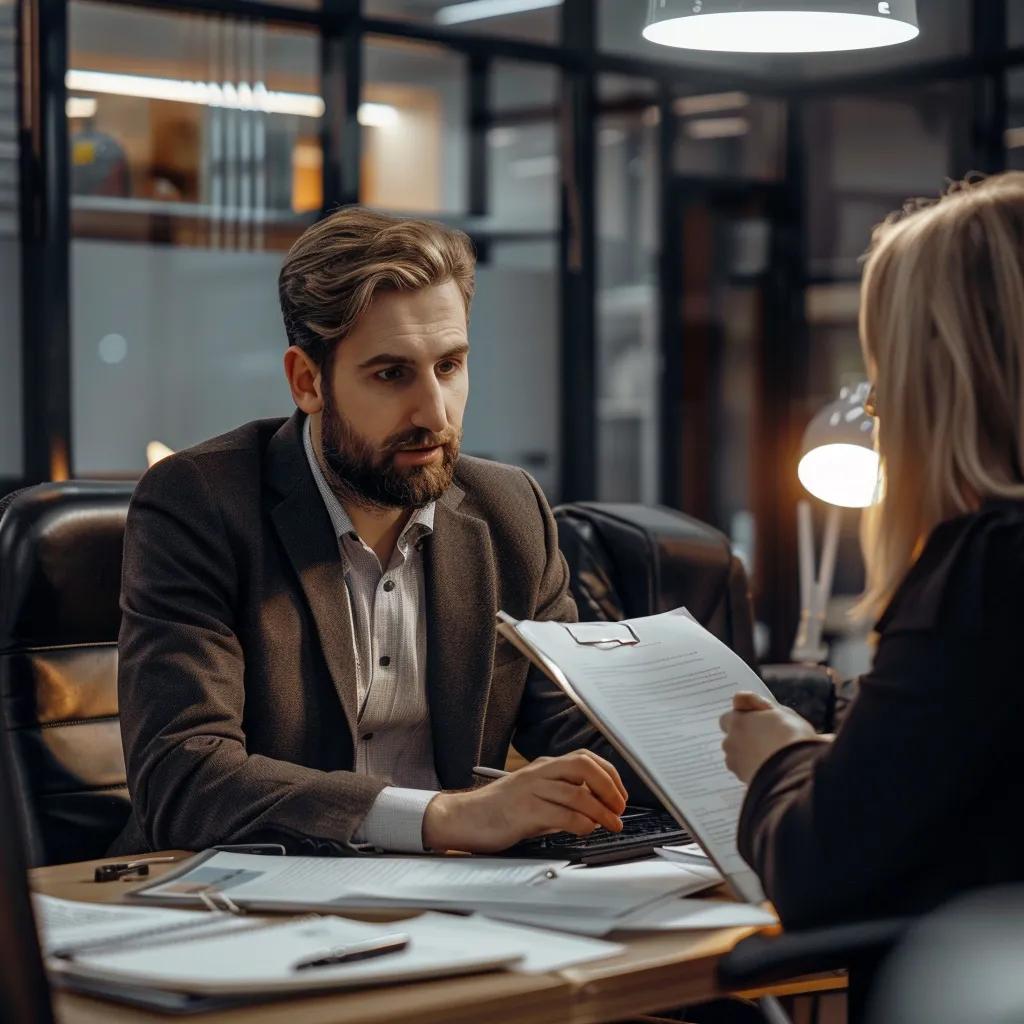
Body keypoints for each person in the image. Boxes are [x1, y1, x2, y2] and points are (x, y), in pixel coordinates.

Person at [112, 208, 644, 857]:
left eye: (449, 367)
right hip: (245, 905)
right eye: (392, 375)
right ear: (308, 381)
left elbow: (574, 726)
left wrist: (749, 751)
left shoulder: (510, 510)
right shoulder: (199, 504)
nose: (434, 412)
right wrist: (440, 817)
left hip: (464, 898)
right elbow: (184, 777)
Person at [720, 173, 1024, 932]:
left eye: (883, 371)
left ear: (941, 377)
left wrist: (780, 758)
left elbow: (818, 870)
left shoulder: (987, 568)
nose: (877, 407)